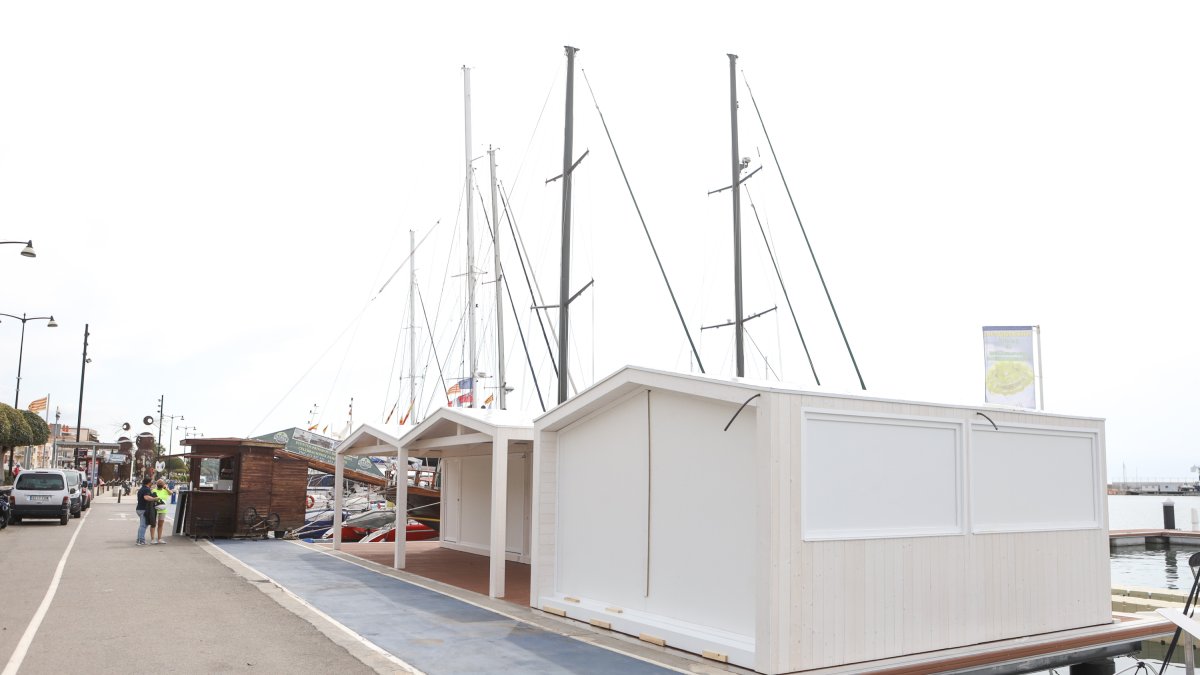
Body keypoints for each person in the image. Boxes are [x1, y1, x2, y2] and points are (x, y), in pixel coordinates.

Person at [135, 477, 155, 546]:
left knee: (142, 525)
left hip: (139, 508)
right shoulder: (146, 489)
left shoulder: (142, 489)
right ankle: (141, 540)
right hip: (143, 509)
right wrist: (154, 498)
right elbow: (146, 497)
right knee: (143, 525)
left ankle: (139, 539)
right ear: (149, 482)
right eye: (151, 482)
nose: (152, 483)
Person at [151, 479, 171, 544]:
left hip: (163, 510)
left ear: (163, 485)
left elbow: (171, 493)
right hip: (155, 510)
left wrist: (166, 488)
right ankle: (152, 539)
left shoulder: (165, 491)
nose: (160, 484)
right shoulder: (154, 490)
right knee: (153, 524)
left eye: (161, 483)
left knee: (160, 525)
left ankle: (159, 539)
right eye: (159, 483)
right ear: (157, 484)